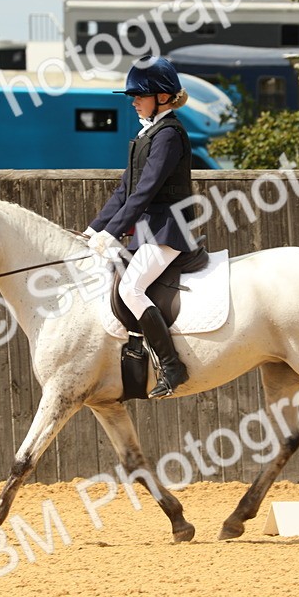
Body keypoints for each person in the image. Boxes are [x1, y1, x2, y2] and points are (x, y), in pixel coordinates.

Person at [86, 55, 194, 398]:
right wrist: (94, 229)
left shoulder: (169, 135)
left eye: (139, 95)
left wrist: (112, 232)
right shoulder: (149, 135)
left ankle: (172, 366)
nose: (133, 101)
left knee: (131, 288)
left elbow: (145, 191)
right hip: (149, 230)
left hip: (168, 229)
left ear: (162, 97)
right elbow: (125, 190)